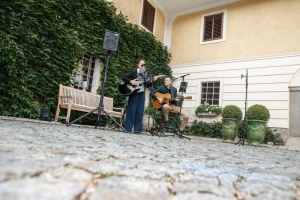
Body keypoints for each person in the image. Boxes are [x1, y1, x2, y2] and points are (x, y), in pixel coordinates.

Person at [123, 59, 157, 133]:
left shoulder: (145, 74)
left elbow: (147, 85)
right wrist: (130, 81)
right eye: (141, 63)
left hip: (141, 94)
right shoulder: (134, 72)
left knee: (140, 111)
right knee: (131, 111)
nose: (142, 65)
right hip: (134, 93)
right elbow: (124, 78)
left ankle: (137, 129)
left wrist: (152, 80)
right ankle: (128, 128)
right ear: (138, 65)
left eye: (144, 64)